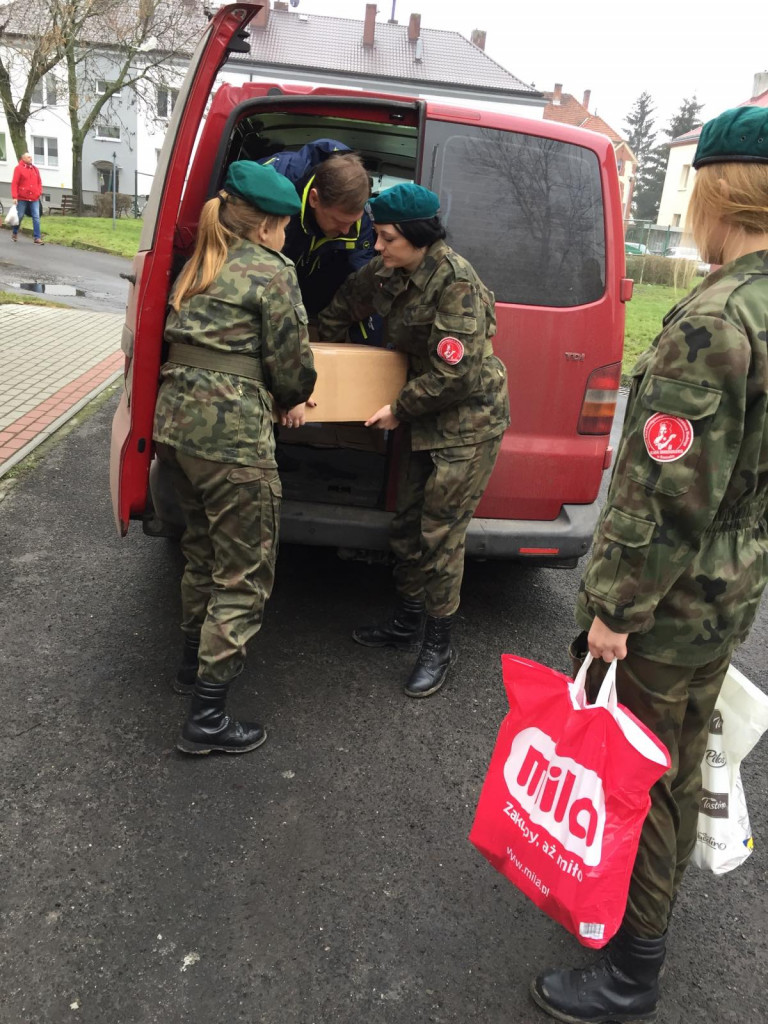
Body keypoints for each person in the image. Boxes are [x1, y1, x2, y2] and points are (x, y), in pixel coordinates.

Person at [530, 106, 768, 1023]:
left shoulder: (718, 318)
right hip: (732, 585)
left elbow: (668, 492)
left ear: (719, 191)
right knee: (667, 763)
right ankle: (629, 932)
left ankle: (632, 968)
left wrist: (615, 612)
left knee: (640, 775)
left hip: (671, 600)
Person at [318, 183, 510, 698]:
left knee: (440, 536)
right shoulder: (387, 270)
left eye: (385, 238)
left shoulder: (456, 283)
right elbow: (342, 309)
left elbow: (458, 374)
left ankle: (438, 644)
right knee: (406, 525)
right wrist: (309, 365)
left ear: (419, 237)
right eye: (375, 237)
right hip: (422, 417)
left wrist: (397, 408)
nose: (376, 247)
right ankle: (405, 623)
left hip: (466, 423)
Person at [152, 160, 317, 756]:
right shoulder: (270, 272)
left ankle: (190, 668)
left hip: (176, 431)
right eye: (285, 226)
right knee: (243, 576)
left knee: (200, 551)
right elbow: (292, 365)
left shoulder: (203, 258)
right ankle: (208, 719)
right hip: (232, 443)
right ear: (271, 225)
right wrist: (294, 399)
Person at [260, 139, 380, 343]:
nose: (346, 230)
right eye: (338, 221)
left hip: (313, 304)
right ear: (314, 199)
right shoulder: (270, 186)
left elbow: (361, 287)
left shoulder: (359, 222)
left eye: (353, 222)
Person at [10, 153, 44, 244]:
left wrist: (39, 192)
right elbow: (15, 183)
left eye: (31, 157)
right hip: (22, 198)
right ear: (23, 158)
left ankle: (37, 237)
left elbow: (39, 182)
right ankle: (15, 232)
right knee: (20, 216)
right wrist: (15, 196)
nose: (31, 158)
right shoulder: (18, 169)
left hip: (34, 197)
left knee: (36, 217)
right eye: (28, 157)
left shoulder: (35, 169)